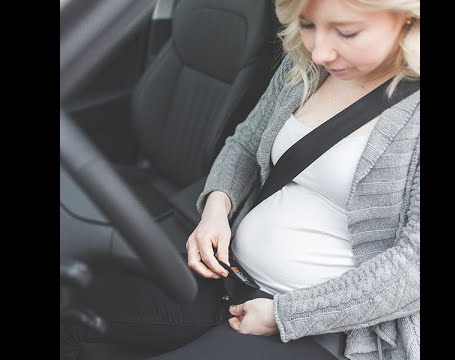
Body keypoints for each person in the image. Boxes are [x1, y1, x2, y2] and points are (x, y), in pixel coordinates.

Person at [62, 0, 420, 359]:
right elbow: (246, 143)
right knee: (72, 309)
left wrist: (285, 316)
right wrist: (216, 208)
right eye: (308, 25)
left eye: (346, 32)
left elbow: (412, 270)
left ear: (407, 20)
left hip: (326, 330)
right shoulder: (308, 68)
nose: (320, 50)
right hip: (230, 278)